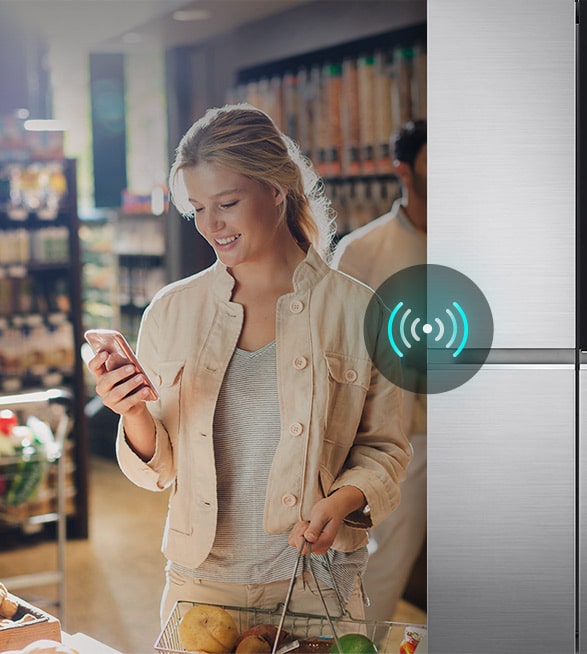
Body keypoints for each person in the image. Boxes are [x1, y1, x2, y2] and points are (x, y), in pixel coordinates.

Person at [87, 103, 411, 625]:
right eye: (197, 209)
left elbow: (386, 450)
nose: (212, 226)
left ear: (275, 189)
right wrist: (132, 413)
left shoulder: (359, 310)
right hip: (200, 586)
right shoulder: (171, 311)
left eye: (228, 203)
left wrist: (342, 501)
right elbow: (161, 470)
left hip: (317, 587)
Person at [331, 119, 427, 623]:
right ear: (404, 172)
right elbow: (337, 347)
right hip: (403, 440)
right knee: (384, 564)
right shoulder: (363, 251)